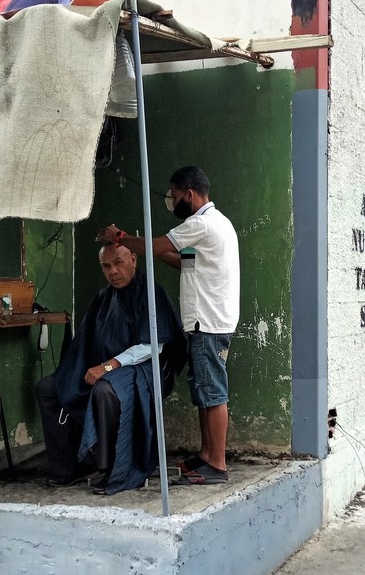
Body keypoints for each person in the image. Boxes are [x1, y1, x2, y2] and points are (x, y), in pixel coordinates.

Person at [97, 166, 240, 485]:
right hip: (208, 321)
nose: (172, 202)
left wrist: (120, 238)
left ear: (189, 194)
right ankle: (206, 455)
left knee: (213, 393)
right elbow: (181, 260)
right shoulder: (217, 224)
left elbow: (157, 244)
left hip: (209, 322)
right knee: (204, 390)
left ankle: (217, 463)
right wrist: (149, 250)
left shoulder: (200, 224)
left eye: (174, 197)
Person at [35, 243, 186, 494]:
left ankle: (111, 468)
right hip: (106, 366)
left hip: (145, 369)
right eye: (106, 266)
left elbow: (152, 345)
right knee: (49, 388)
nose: (113, 271)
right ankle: (71, 465)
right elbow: (86, 343)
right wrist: (80, 370)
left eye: (118, 262)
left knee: (106, 389)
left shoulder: (150, 292)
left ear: (134, 260)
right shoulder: (103, 297)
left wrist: (108, 366)